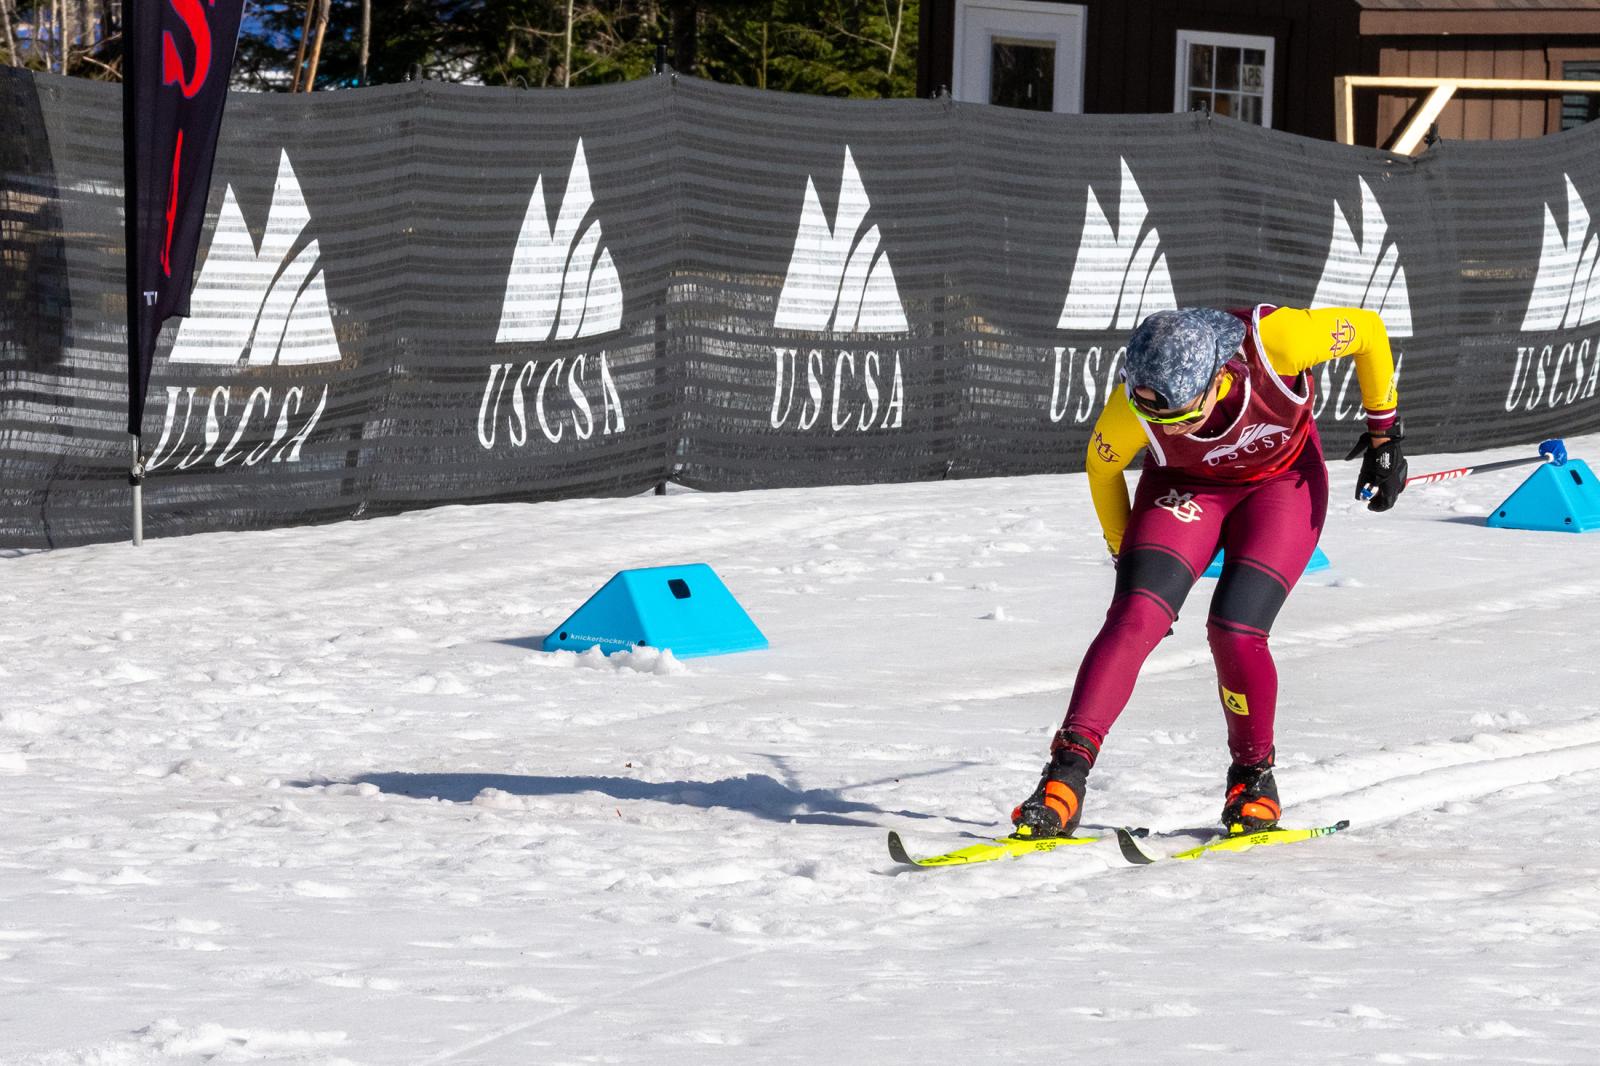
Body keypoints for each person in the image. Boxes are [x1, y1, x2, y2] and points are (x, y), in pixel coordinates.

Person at [1012, 305, 1406, 838]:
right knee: (1134, 617)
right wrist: (1124, 556)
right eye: (1146, 411)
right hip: (1187, 490)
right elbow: (1102, 468)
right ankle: (1063, 779)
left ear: (1217, 380)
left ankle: (1252, 778)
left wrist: (1384, 434)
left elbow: (1370, 332)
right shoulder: (1132, 409)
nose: (1154, 421)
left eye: (1172, 416)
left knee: (1235, 631)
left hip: (1281, 484)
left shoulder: (1280, 341)